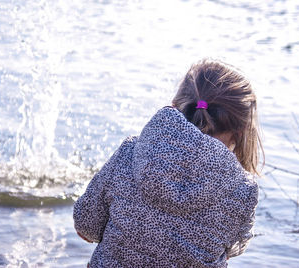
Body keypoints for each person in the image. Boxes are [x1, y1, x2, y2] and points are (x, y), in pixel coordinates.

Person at [73, 59, 264, 267]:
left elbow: (85, 227)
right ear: (241, 130)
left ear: (177, 105)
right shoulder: (243, 190)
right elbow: (235, 248)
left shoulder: (130, 152)